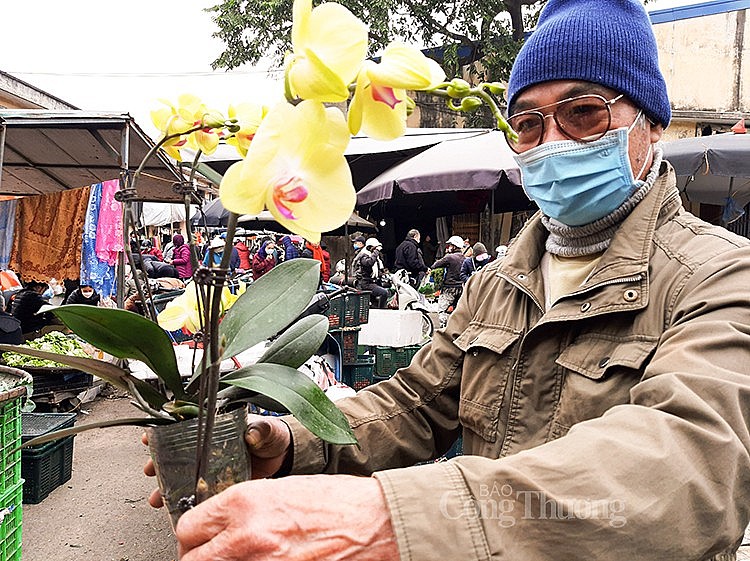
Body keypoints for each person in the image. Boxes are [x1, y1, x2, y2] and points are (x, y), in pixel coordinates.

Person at [149, 3, 750, 558]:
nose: (553, 143)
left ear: (654, 125)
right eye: (528, 125)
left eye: (584, 113)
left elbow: (685, 464)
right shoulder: (498, 283)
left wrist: (393, 518)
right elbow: (413, 405)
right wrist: (292, 441)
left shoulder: (721, 278)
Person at [429, 235, 466, 327]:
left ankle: (443, 327)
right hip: (461, 287)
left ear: (454, 246)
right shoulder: (465, 258)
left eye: (450, 245)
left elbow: (435, 265)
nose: (449, 247)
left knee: (442, 309)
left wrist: (446, 255)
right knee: (458, 309)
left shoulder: (449, 257)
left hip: (449, 287)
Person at [355, 237, 388, 308]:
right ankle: (381, 310)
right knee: (384, 293)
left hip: (373, 281)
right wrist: (376, 252)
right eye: (374, 248)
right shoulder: (363, 255)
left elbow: (378, 268)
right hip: (366, 283)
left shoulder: (375, 256)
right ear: (369, 247)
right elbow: (369, 263)